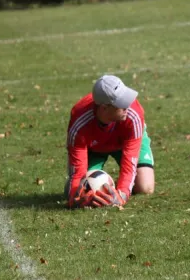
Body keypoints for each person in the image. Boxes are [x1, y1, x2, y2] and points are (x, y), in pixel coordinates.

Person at [65, 74, 155, 208]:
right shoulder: (79, 122)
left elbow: (129, 165)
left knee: (145, 186)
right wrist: (75, 198)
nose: (127, 106)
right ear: (104, 107)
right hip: (94, 148)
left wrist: (121, 196)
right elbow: (78, 171)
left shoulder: (134, 115)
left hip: (125, 144)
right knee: (81, 188)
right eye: (121, 104)